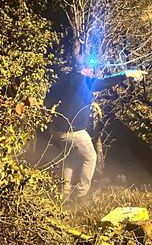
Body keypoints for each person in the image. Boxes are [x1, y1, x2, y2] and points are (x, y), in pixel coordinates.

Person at [43, 56, 146, 203]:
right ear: (83, 69)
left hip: (58, 129)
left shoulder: (68, 79)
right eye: (91, 68)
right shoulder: (81, 80)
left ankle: (63, 195)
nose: (93, 71)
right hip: (73, 131)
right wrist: (127, 73)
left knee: (71, 159)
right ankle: (81, 195)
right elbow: (103, 83)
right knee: (90, 158)